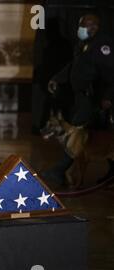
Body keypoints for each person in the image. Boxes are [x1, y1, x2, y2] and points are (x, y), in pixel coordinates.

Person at [46, 14, 114, 185]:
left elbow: (111, 74)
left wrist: (108, 97)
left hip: (97, 99)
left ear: (94, 27)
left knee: (79, 132)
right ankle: (110, 175)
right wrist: (57, 78)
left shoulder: (103, 46)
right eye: (80, 25)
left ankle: (59, 170)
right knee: (101, 140)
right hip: (83, 96)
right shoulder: (84, 43)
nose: (80, 29)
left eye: (84, 25)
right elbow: (74, 66)